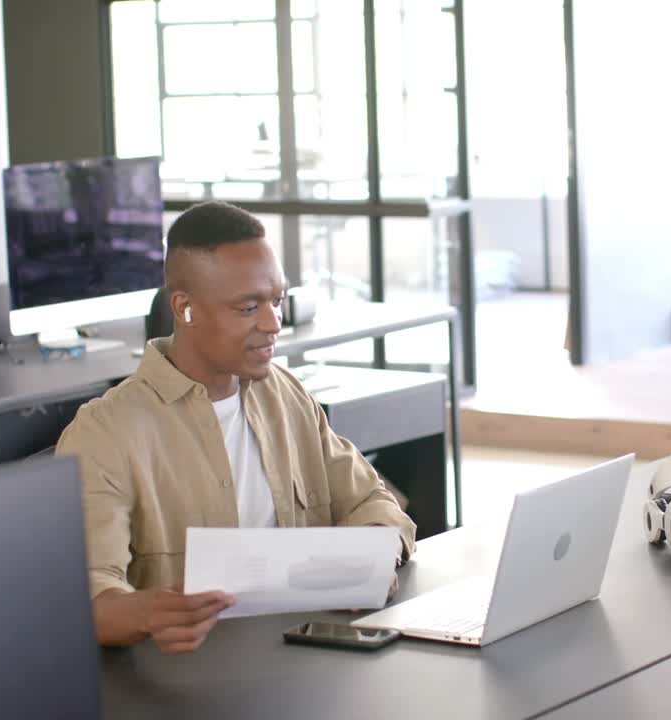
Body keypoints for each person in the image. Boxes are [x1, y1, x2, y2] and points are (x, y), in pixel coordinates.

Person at [57, 201, 416, 655]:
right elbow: (85, 598)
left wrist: (369, 554)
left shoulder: (284, 393)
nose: (273, 324)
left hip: (301, 656)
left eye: (277, 301)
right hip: (188, 676)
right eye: (248, 307)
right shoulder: (104, 433)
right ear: (185, 309)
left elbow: (372, 499)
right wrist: (150, 613)